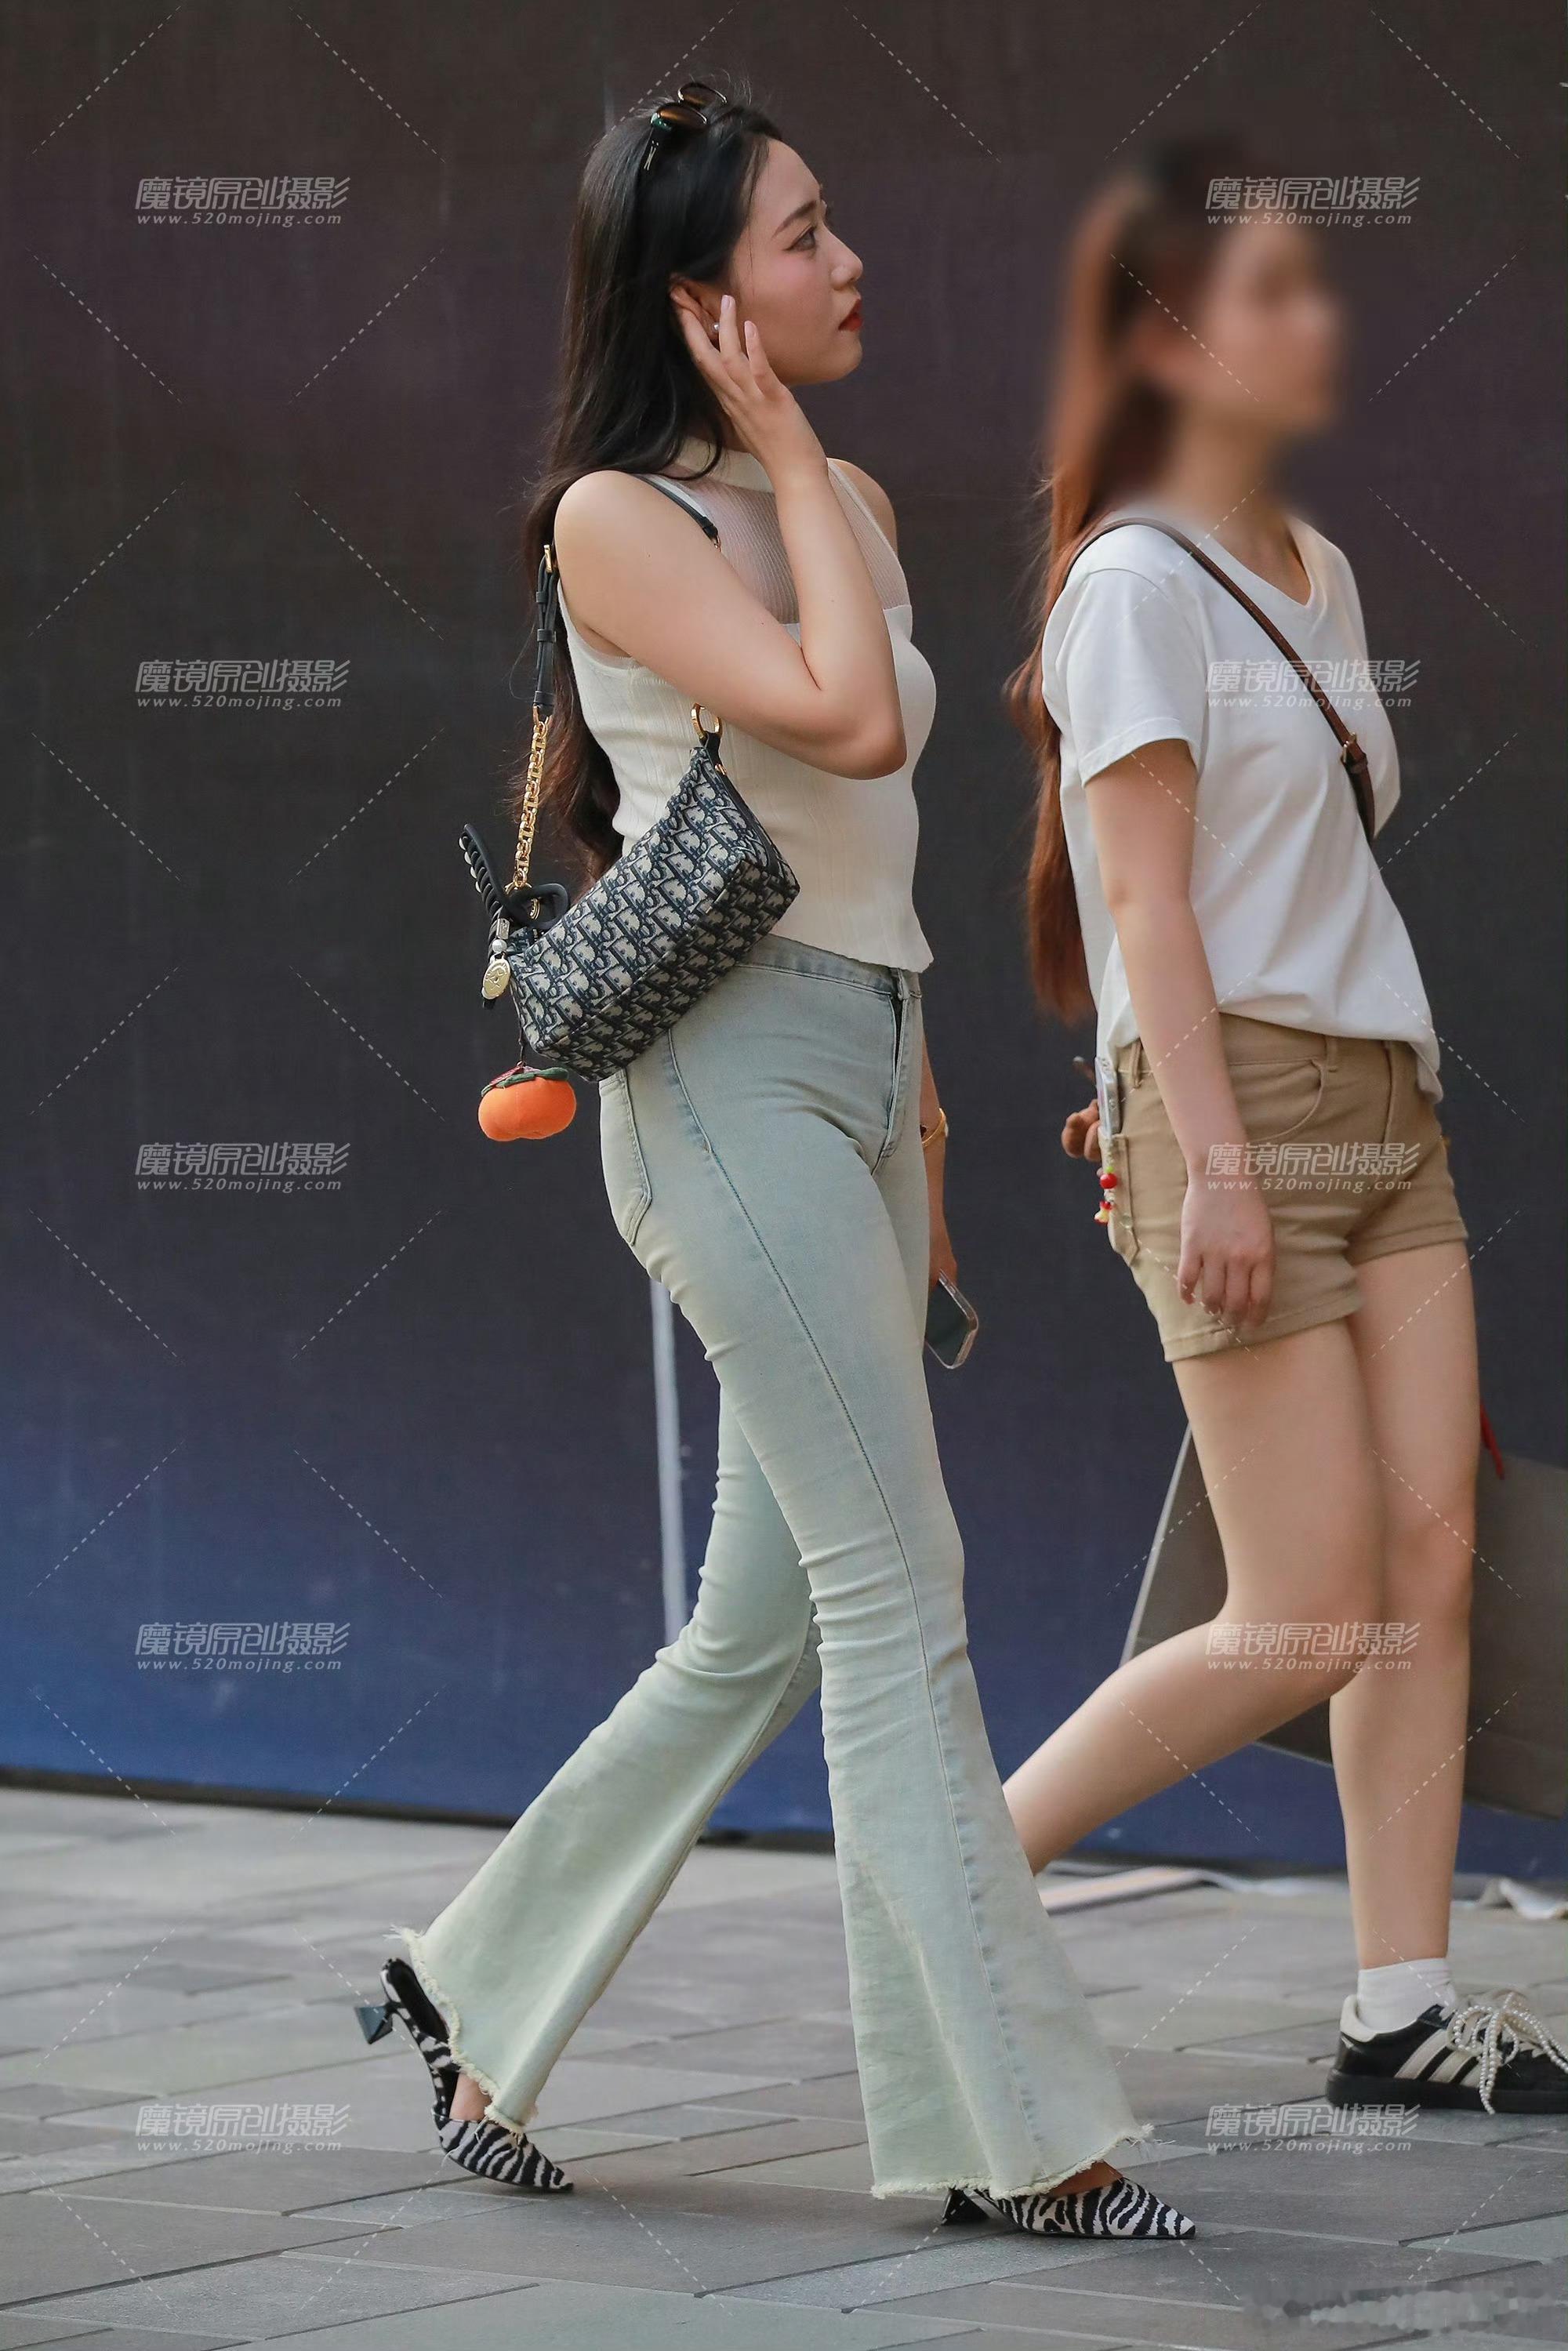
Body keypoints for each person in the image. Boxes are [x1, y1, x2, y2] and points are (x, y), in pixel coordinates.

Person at [354, 84, 1196, 2237]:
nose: (848, 261)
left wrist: (924, 1110)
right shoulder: (616, 519)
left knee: (757, 1632)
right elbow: (850, 719)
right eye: (803, 236)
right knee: (900, 1589)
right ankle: (1018, 2138)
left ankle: (471, 1990)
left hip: (860, 1063)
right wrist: (798, 467)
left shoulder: (850, 501)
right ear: (702, 301)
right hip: (720, 1088)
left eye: (835, 223)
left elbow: (874, 838)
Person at [1002, 140, 1568, 2118]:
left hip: (1386, 1109)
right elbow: (1143, 903)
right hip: (1241, 1114)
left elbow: (1286, 872)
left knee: (1425, 1569)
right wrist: (1209, 1154)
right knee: (1306, 1609)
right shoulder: (1131, 587)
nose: (1316, 317)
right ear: (1169, 339)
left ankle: (1398, 2008)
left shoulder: (1316, 573)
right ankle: (946, 1888)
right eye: (1269, 291)